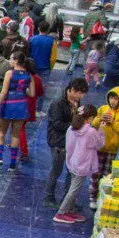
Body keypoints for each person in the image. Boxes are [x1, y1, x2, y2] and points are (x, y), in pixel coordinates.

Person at [54, 105, 107, 223]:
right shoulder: (91, 132)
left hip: (72, 162)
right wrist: (101, 130)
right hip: (83, 165)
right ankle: (60, 213)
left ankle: (70, 210)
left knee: (73, 187)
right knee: (74, 190)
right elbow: (99, 144)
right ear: (90, 118)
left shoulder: (71, 128)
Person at [46, 78, 88, 207]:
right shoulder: (58, 103)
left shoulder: (76, 102)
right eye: (80, 93)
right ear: (72, 90)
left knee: (71, 172)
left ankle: (67, 200)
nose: (81, 96)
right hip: (59, 141)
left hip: (72, 141)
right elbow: (57, 125)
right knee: (56, 170)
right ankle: (49, 197)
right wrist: (75, 125)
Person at [0, 53, 35, 172]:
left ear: (16, 61)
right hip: (21, 106)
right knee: (15, 135)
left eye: (11, 58)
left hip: (8, 105)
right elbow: (32, 94)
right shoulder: (29, 75)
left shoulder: (9, 73)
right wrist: (22, 91)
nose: (9, 60)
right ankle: (12, 164)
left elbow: (3, 92)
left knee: (1, 132)